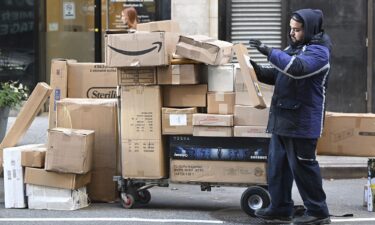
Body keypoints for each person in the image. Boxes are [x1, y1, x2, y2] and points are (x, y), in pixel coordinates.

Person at [249, 8, 332, 225]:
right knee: (278, 167)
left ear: (310, 29)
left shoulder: (319, 52)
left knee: (303, 168)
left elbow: (296, 68)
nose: (292, 34)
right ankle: (280, 208)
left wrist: (267, 50)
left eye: (297, 30)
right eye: (291, 29)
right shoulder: (293, 48)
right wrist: (254, 68)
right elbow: (277, 75)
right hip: (283, 119)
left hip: (302, 122)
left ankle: (318, 213)